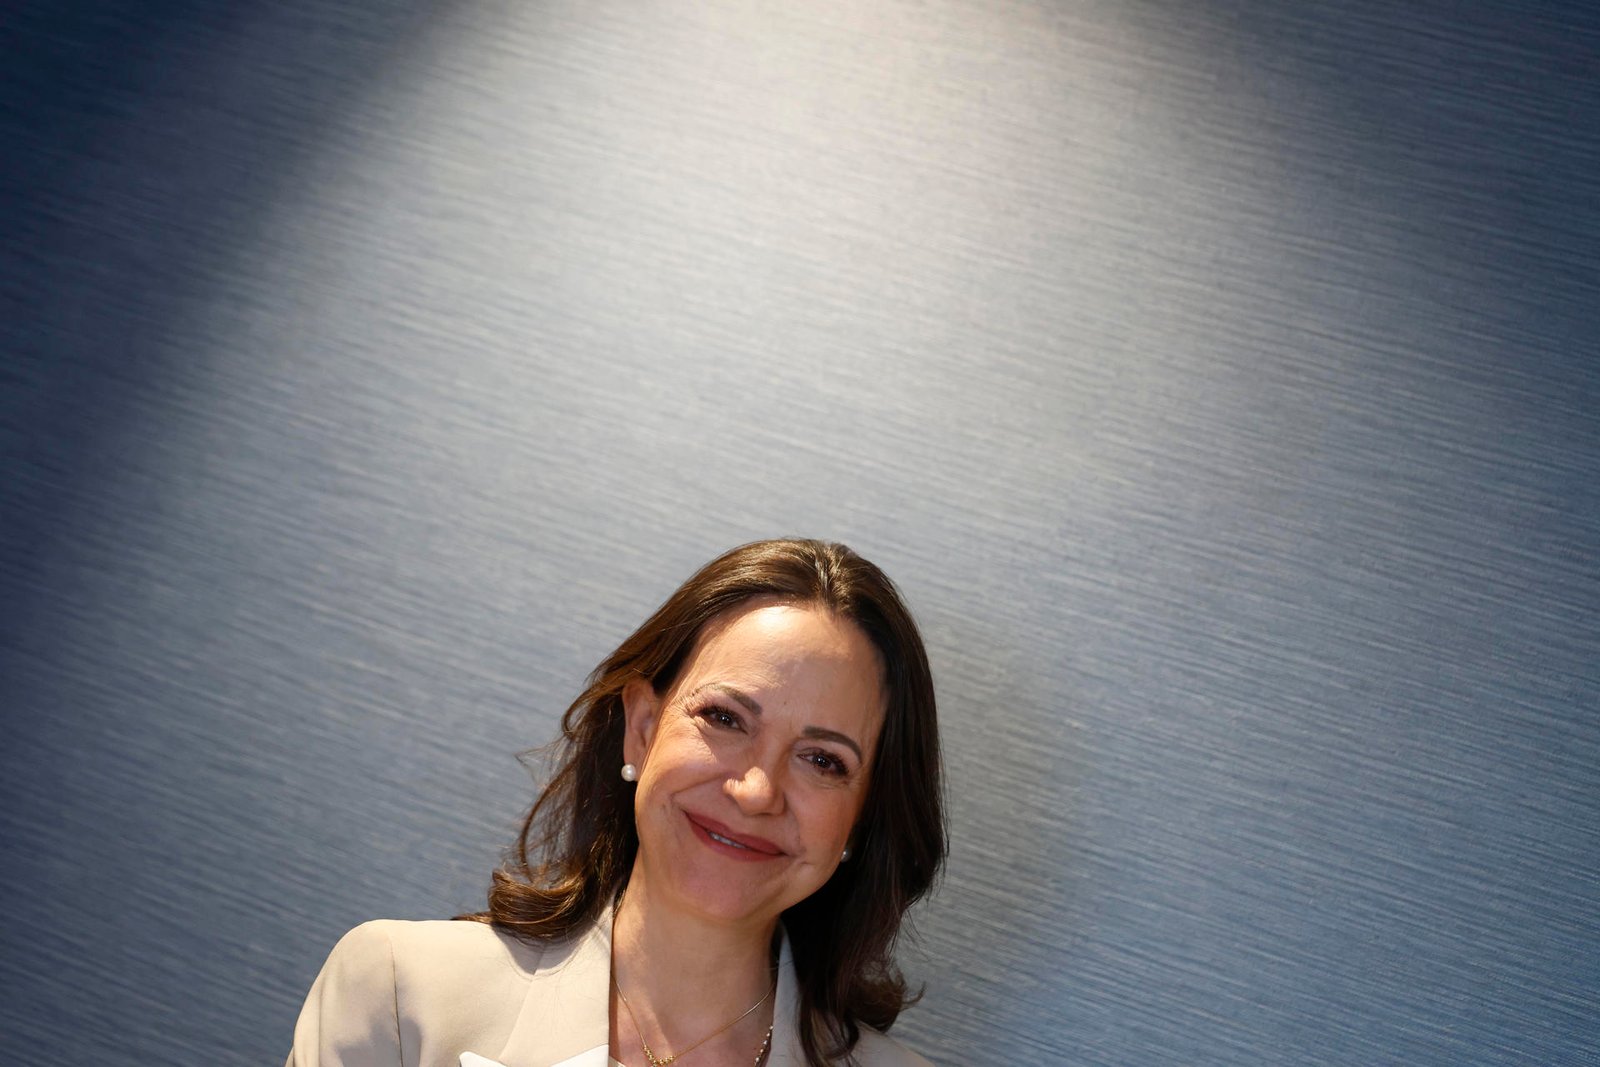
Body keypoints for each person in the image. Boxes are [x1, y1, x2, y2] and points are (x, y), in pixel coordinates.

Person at [287, 538, 946, 1067]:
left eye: (824, 760)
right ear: (643, 729)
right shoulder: (398, 992)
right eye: (725, 718)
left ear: (863, 817)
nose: (755, 791)